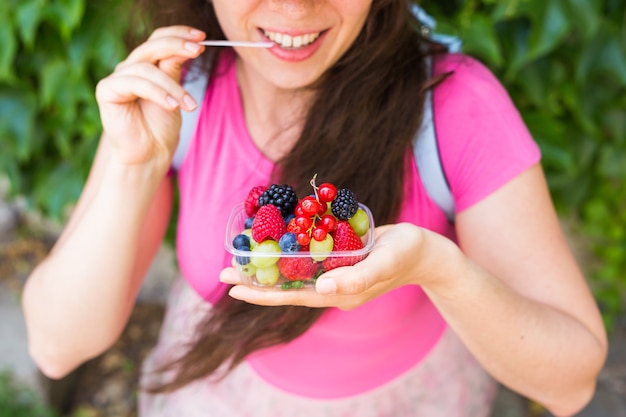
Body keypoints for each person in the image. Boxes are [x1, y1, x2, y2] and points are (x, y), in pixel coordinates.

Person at [22, 1, 607, 416]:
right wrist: (136, 166)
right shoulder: (180, 95)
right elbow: (56, 345)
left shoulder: (454, 107)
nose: (295, 7)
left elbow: (572, 384)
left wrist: (439, 267)